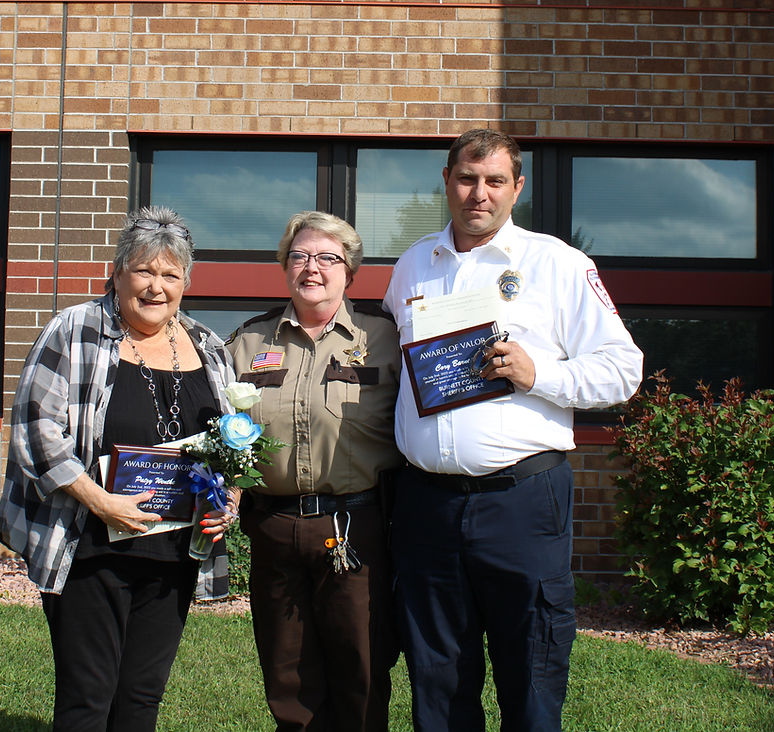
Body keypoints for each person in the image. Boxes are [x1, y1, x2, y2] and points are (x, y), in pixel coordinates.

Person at [382, 129, 644, 732]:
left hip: (521, 502)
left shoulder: (557, 264)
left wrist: (539, 374)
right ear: (446, 181)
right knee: (438, 677)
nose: (479, 194)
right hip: (426, 503)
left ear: (517, 188)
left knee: (531, 671)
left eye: (495, 181)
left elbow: (623, 371)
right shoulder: (413, 264)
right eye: (467, 179)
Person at [0, 206, 239, 731]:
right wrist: (101, 500)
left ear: (186, 283)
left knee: (140, 701)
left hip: (174, 550)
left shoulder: (209, 346)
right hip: (91, 542)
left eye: (170, 275)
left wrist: (227, 502)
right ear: (118, 273)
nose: (156, 287)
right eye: (144, 271)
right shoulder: (75, 329)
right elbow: (37, 429)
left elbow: (229, 446)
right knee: (89, 700)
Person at [226, 211, 402, 732]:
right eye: (300, 256)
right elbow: (223, 433)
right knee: (288, 676)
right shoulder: (248, 343)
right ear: (284, 266)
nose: (312, 268)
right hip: (275, 529)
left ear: (350, 270)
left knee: (362, 671)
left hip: (357, 529)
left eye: (328, 258)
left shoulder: (385, 339)